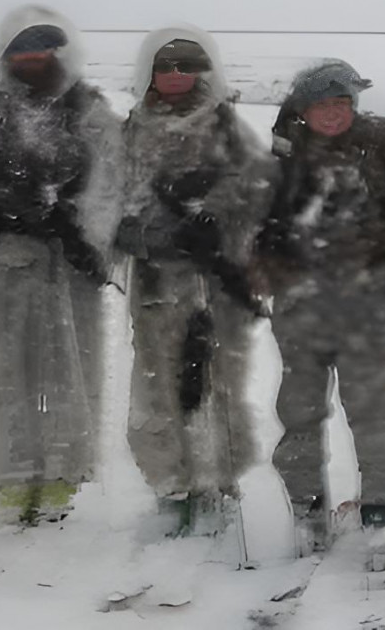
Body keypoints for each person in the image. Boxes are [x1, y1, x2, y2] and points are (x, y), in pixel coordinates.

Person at [253, 59, 385, 561]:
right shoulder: (281, 157)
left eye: (343, 102)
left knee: (370, 406)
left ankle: (381, 509)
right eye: (324, 103)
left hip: (369, 296)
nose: (335, 113)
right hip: (301, 301)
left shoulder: (377, 137)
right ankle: (307, 510)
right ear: (303, 109)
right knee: (300, 408)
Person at [0, 5, 123, 524]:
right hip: (3, 266)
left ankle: (61, 475)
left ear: (58, 53)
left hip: (68, 267)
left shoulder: (86, 108)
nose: (33, 60)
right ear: (7, 55)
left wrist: (75, 227)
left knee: (70, 370)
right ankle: (14, 478)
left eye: (43, 50)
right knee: (9, 373)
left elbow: (111, 180)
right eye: (23, 50)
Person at [116, 27, 271, 534]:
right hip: (157, 283)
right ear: (152, 73)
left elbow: (256, 187)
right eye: (168, 67)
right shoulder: (132, 128)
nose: (178, 76)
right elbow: (110, 202)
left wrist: (216, 217)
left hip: (215, 280)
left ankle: (219, 479)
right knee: (159, 382)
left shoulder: (225, 124)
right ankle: (172, 484)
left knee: (217, 380)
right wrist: (154, 236)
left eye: (188, 66)